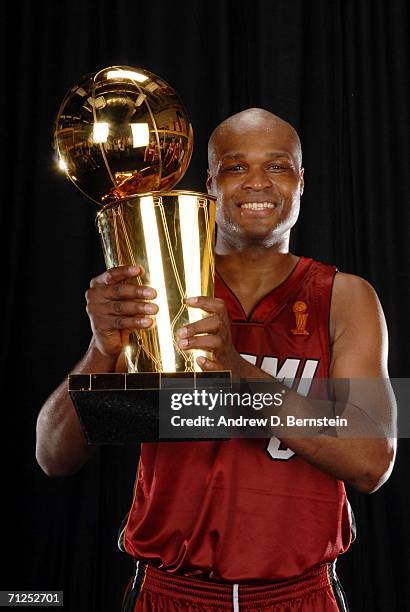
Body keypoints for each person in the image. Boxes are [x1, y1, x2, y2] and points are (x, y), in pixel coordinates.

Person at [36, 108, 396, 611]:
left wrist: (236, 369)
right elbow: (54, 455)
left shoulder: (344, 297)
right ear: (210, 183)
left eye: (277, 166)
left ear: (300, 181)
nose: (257, 183)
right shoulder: (160, 290)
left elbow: (371, 459)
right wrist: (102, 349)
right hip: (171, 592)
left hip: (298, 594)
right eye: (234, 167)